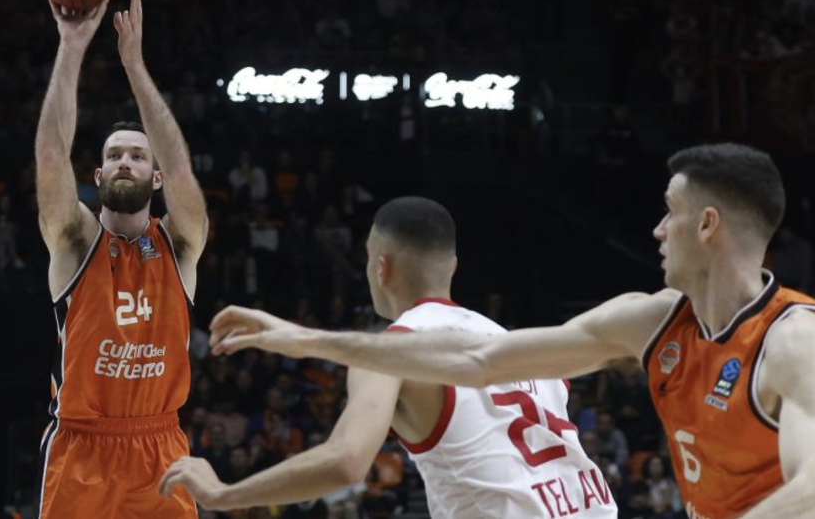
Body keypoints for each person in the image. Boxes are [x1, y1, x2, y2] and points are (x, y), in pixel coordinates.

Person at [205, 144, 815, 519]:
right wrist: (300, 338)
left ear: (708, 224)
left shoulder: (795, 340)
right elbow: (477, 359)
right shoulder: (652, 319)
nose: (658, 229)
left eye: (671, 212)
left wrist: (227, 496)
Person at [160, 197, 617, 519]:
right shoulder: (514, 343)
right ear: (452, 267)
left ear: (380, 267)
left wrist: (224, 493)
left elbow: (345, 461)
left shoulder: (389, 352)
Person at [33, 0, 208, 519]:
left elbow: (182, 171)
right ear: (98, 175)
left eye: (137, 155)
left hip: (160, 446)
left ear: (153, 177)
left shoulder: (180, 243)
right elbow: (49, 155)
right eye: (114, 156)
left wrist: (134, 66)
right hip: (82, 447)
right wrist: (72, 45)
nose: (125, 162)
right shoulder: (74, 240)